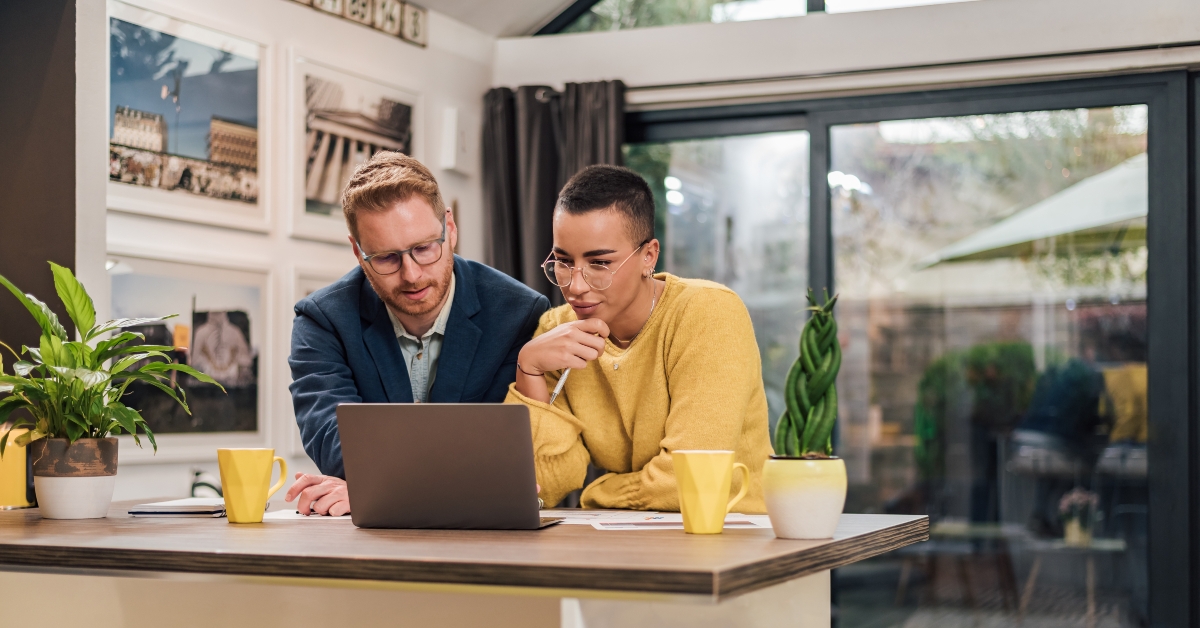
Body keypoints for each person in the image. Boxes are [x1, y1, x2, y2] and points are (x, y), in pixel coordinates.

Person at [286, 152, 550, 516]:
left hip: (489, 539)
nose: (411, 275)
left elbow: (509, 459)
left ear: (450, 228)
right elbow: (334, 442)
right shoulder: (322, 320)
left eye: (424, 248)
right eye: (386, 258)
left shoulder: (520, 314)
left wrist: (374, 487)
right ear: (358, 252)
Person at [507, 165, 772, 512]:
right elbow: (540, 486)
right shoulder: (557, 331)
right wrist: (528, 369)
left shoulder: (709, 313)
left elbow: (686, 482)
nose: (575, 285)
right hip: (627, 541)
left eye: (600, 262)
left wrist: (598, 494)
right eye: (563, 261)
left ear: (649, 255)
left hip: (737, 539)